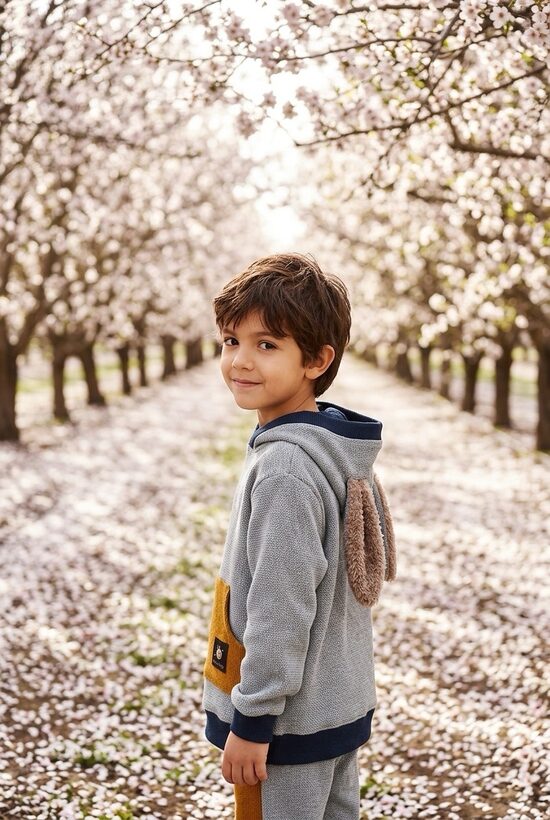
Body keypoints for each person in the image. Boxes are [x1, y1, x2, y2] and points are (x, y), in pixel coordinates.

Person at [201, 253, 397, 820]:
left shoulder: (286, 468)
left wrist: (254, 720)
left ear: (316, 359)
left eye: (267, 345)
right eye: (231, 340)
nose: (240, 360)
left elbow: (281, 606)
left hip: (284, 729)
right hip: (332, 710)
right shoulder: (327, 449)